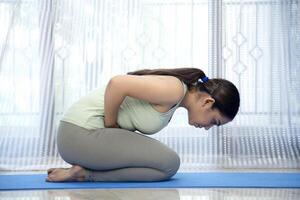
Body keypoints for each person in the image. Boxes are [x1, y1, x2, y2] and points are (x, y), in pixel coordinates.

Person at [46, 67, 240, 182]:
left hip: (80, 136)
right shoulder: (174, 89)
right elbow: (117, 84)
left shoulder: (176, 97)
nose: (207, 127)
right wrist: (111, 127)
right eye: (214, 122)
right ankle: (86, 175)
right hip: (79, 133)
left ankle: (84, 173)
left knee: (167, 166)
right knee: (170, 163)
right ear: (207, 103)